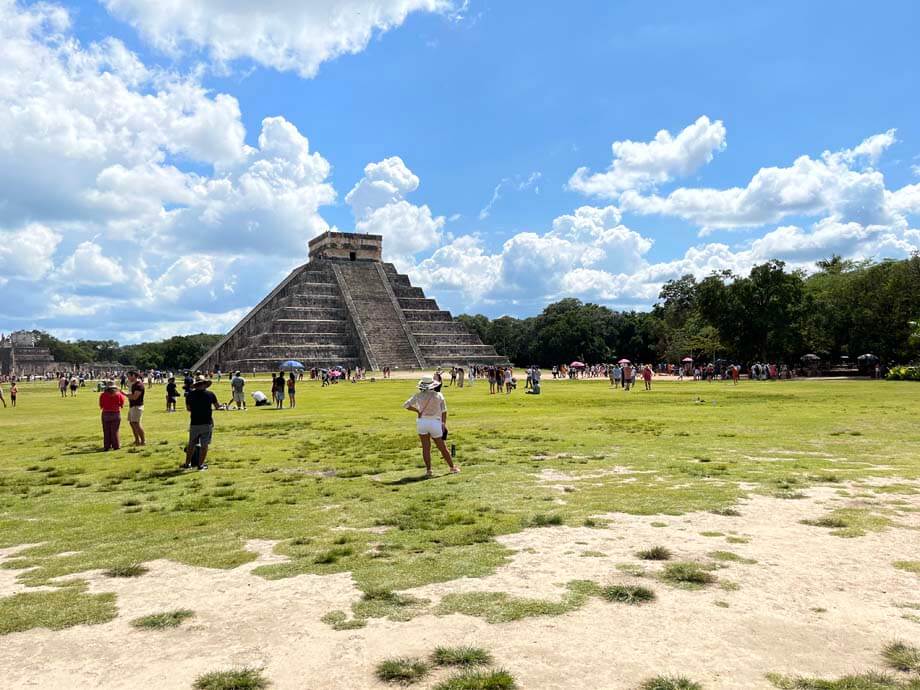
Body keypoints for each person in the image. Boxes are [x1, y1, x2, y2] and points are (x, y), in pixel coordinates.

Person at [403, 375, 459, 477]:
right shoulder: (439, 395)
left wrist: (417, 411)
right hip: (435, 422)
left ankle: (429, 470)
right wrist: (443, 424)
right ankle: (452, 467)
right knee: (442, 447)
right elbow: (444, 411)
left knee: (426, 448)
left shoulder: (418, 395)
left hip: (422, 422)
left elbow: (406, 405)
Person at [184, 375, 220, 471]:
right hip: (206, 422)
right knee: (204, 445)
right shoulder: (210, 394)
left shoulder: (190, 395)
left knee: (191, 444)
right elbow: (217, 406)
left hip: (194, 422)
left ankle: (187, 463)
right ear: (204, 384)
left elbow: (188, 409)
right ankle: (200, 465)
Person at [98, 380, 126, 451]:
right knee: (115, 431)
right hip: (116, 413)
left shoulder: (103, 395)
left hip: (106, 414)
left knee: (106, 431)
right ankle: (116, 445)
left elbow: (101, 405)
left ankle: (107, 446)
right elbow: (122, 403)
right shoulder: (119, 394)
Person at [126, 371, 146, 446]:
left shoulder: (139, 385)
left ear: (134, 375)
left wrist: (124, 394)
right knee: (132, 423)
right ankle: (137, 440)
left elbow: (134, 397)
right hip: (132, 406)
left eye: (129, 376)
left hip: (137, 406)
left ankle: (143, 441)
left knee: (136, 424)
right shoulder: (133, 384)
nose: (128, 378)